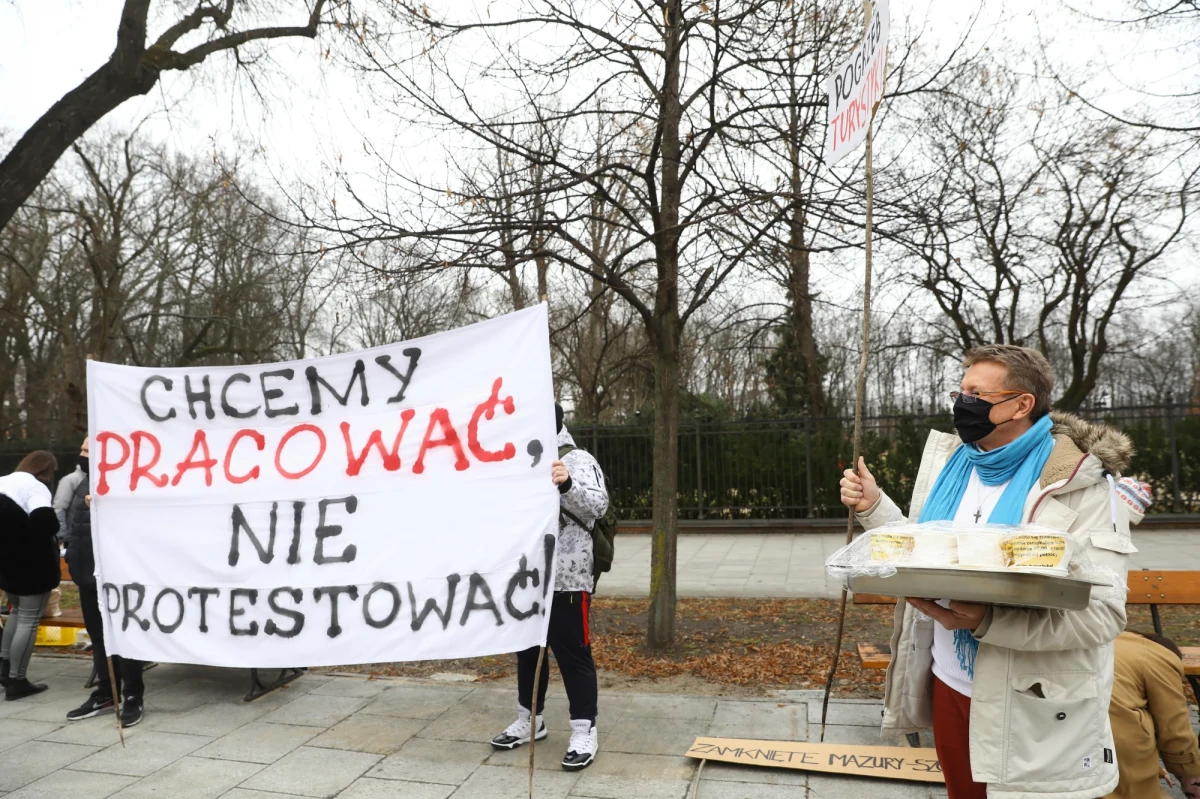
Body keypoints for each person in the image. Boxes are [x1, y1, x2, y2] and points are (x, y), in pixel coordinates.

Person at [840, 345, 1135, 799]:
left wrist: (986, 620)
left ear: (1022, 404)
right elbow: (929, 552)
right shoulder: (952, 463)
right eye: (960, 392)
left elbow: (1103, 614)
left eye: (978, 394)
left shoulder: (1081, 485)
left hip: (1027, 698)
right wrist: (875, 508)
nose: (964, 403)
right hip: (947, 682)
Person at [491, 404, 609, 771]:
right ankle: (530, 721)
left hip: (568, 578)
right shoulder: (519, 458)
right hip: (527, 578)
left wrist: (567, 483)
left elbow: (598, 506)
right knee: (527, 653)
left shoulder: (577, 459)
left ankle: (584, 729)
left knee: (573, 655)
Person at [64, 438, 146, 727]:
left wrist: (109, 505)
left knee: (124, 635)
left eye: (87, 450)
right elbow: (77, 530)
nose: (81, 454)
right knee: (98, 638)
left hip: (119, 577)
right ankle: (106, 693)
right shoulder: (83, 484)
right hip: (88, 575)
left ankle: (133, 695)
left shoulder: (127, 483)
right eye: (82, 448)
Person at [1105, 631, 1200, 799]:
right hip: (1112, 750)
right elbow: (1175, 731)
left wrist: (1153, 767)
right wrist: (1191, 773)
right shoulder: (1159, 656)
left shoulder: (1115, 639)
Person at [0, 450, 62, 700]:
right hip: (32, 566)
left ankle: (4, 666)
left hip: (6, 563)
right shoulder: (35, 487)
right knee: (29, 620)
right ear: (46, 470)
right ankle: (17, 680)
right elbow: (46, 522)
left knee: (16, 612)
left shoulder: (4, 480)